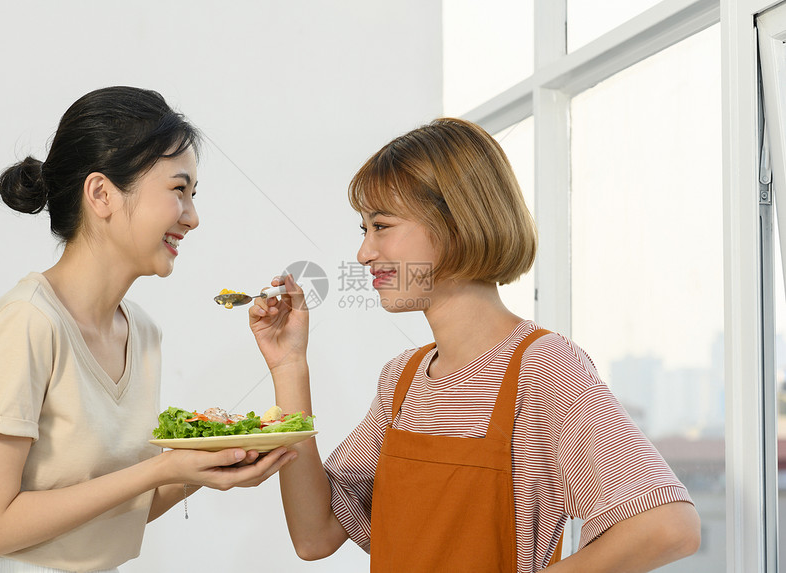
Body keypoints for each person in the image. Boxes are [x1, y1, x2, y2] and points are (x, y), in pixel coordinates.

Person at [248, 117, 701, 572]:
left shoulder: (543, 367)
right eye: (363, 230)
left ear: (456, 225)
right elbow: (315, 533)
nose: (365, 253)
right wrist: (289, 367)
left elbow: (667, 526)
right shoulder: (402, 381)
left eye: (381, 226)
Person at [0, 86, 296, 573]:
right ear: (102, 193)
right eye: (179, 190)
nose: (193, 218)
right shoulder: (27, 323)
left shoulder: (143, 332)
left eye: (193, 195)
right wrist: (162, 467)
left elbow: (108, 518)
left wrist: (211, 462)